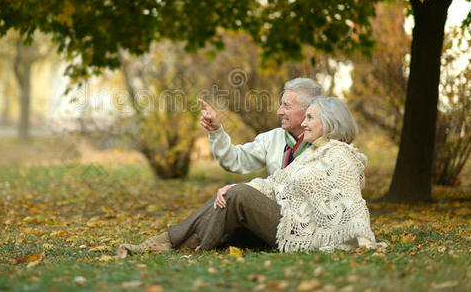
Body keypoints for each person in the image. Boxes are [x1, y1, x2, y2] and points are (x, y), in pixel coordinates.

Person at [118, 96, 382, 256]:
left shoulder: (342, 156)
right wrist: (234, 184)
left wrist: (363, 240)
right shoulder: (312, 153)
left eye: (310, 117)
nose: (304, 123)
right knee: (229, 199)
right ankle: (169, 244)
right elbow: (274, 182)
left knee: (238, 197)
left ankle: (172, 243)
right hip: (284, 221)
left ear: (331, 121)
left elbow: (352, 204)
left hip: (302, 233)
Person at [199, 77, 323, 177]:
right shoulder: (270, 139)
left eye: (286, 106)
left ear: (308, 110)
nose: (279, 112)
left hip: (311, 207)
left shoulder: (329, 142)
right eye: (281, 105)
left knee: (236, 193)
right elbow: (235, 160)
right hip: (273, 206)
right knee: (231, 195)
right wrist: (216, 131)